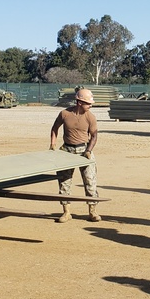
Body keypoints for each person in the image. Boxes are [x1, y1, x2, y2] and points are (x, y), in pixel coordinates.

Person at [50, 87, 100, 222]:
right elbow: (55, 128)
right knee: (64, 182)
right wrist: (53, 145)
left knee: (90, 181)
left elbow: (94, 136)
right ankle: (66, 212)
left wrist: (88, 151)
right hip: (67, 151)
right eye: (88, 103)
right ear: (79, 102)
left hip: (84, 151)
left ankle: (92, 211)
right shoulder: (64, 114)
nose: (90, 106)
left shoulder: (90, 117)